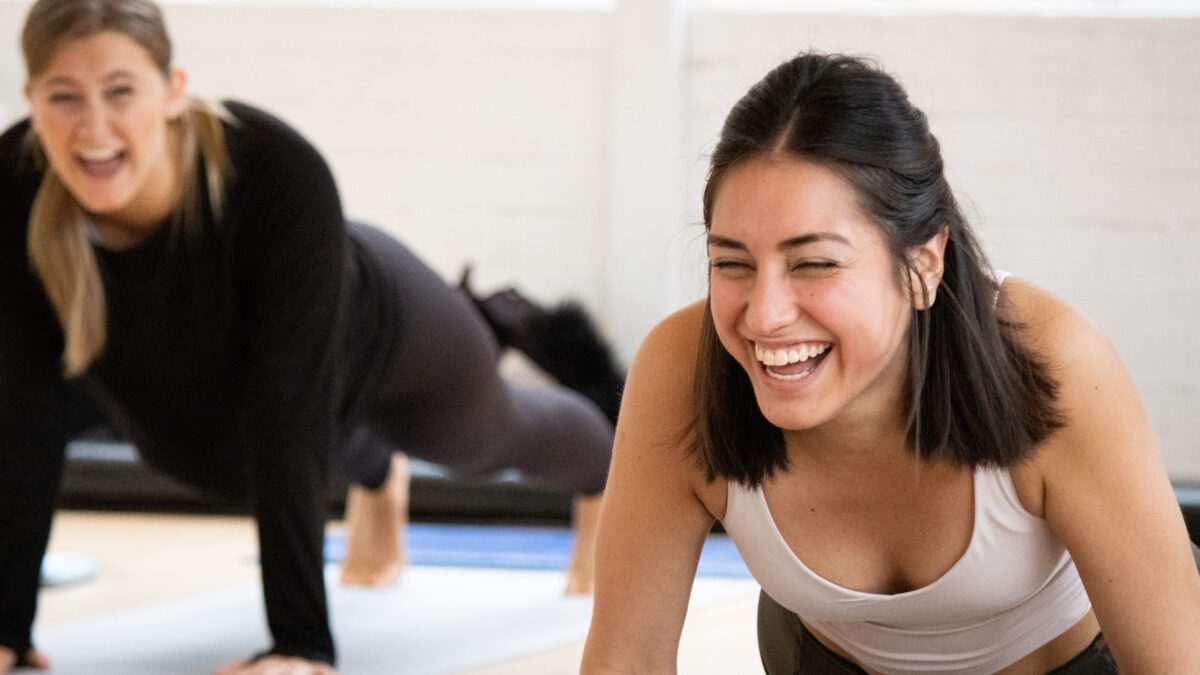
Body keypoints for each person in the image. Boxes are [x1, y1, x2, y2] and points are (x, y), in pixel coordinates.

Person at [0, 1, 616, 673]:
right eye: (64, 97)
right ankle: (377, 474)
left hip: (386, 327)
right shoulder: (16, 184)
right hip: (243, 371)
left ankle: (600, 472)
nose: (93, 127)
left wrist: (299, 644)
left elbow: (288, 404)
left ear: (173, 90)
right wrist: (7, 628)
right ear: (31, 98)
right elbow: (22, 411)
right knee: (206, 457)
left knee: (483, 436)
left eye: (120, 91)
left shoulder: (271, 167)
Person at [582, 52, 1200, 673]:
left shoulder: (1049, 360)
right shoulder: (680, 370)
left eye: (815, 263)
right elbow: (624, 658)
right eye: (732, 263)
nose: (764, 315)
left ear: (923, 266)